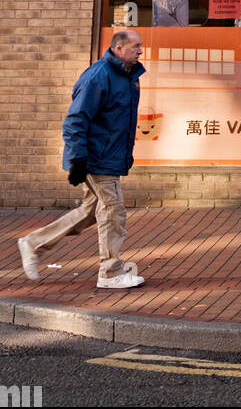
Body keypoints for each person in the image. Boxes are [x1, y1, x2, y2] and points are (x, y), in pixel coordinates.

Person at [17, 29, 146, 289]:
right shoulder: (98, 76)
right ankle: (110, 273)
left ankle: (33, 243)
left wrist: (125, 154)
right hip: (95, 157)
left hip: (109, 156)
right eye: (136, 46)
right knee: (112, 210)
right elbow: (76, 119)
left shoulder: (128, 76)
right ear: (118, 48)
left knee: (90, 212)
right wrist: (77, 160)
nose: (140, 50)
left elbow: (120, 121)